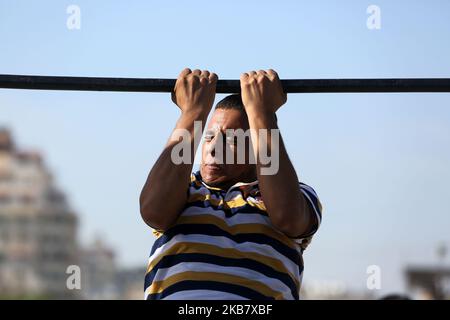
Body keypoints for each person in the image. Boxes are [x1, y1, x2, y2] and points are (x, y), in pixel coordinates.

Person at [139, 68, 323, 300]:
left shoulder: (296, 195)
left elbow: (288, 216)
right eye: (208, 137)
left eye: (232, 140)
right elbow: (153, 212)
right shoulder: (182, 191)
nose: (214, 148)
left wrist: (262, 113)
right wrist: (192, 113)